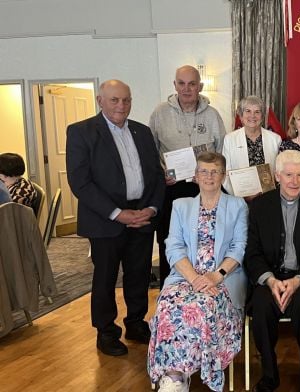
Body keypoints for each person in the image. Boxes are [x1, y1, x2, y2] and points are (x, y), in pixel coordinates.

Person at [66, 80, 165, 356]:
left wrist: (151, 209)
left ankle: (135, 323)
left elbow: (157, 176)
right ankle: (106, 332)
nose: (121, 105)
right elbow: (80, 182)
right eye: (114, 100)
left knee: (139, 274)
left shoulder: (142, 132)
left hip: (142, 216)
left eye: (126, 100)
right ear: (100, 100)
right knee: (105, 278)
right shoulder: (81, 132)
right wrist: (118, 214)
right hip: (105, 220)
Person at [148, 152, 247, 392]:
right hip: (185, 276)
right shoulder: (181, 206)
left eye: (215, 171)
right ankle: (174, 377)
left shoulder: (237, 205)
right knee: (168, 305)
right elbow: (172, 245)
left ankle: (188, 372)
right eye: (204, 171)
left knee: (201, 306)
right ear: (195, 175)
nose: (209, 176)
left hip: (223, 278)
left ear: (223, 175)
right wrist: (193, 278)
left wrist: (215, 276)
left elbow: (239, 246)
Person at [244, 150, 300, 392]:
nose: (295, 181)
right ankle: (269, 375)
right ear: (277, 176)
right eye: (289, 175)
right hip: (271, 275)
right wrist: (270, 280)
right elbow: (252, 252)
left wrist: (298, 280)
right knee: (262, 307)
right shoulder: (260, 206)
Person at [149, 65, 226, 288]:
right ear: (174, 85)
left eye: (192, 84)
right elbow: (150, 152)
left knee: (203, 242)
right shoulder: (160, 113)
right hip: (170, 190)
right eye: (181, 83)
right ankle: (169, 292)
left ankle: (205, 289)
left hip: (204, 191)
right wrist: (161, 172)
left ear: (200, 87)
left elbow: (221, 151)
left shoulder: (212, 115)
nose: (186, 89)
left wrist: (211, 175)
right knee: (170, 242)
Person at [222, 96, 282, 197]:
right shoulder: (229, 139)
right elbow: (225, 173)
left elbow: (280, 172)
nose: (252, 116)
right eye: (248, 111)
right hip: (239, 198)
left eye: (257, 112)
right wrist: (240, 196)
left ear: (262, 116)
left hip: (269, 197)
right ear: (241, 116)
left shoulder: (275, 139)